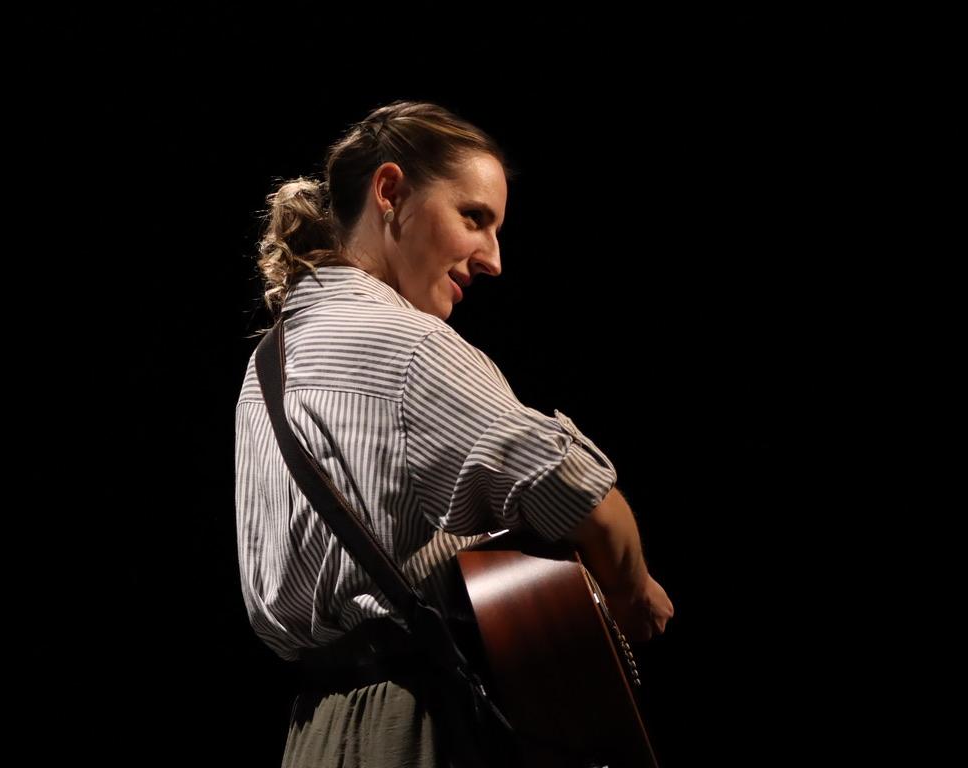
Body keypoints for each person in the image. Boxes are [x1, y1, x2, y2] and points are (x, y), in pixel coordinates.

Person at [235, 99, 674, 768]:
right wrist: (632, 592)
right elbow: (586, 499)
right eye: (474, 218)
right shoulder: (410, 347)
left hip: (313, 733)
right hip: (421, 724)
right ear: (390, 192)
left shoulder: (269, 362)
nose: (493, 259)